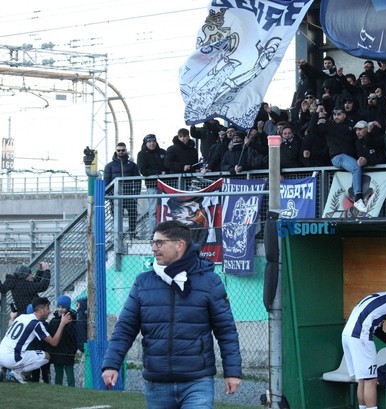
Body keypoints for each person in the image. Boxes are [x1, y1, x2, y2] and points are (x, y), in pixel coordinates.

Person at [101, 221, 242, 408]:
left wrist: (232, 372)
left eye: (159, 243)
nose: (153, 248)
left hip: (197, 381)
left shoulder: (210, 282)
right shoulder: (143, 283)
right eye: (153, 242)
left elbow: (226, 332)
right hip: (157, 383)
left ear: (179, 245)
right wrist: (111, 364)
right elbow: (125, 328)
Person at [0, 296, 71, 384]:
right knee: (46, 356)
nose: (50, 311)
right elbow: (54, 342)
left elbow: (10, 326)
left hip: (1, 355)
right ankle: (17, 372)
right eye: (47, 308)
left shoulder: (21, 317)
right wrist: (62, 323)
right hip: (11, 358)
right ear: (41, 310)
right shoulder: (36, 323)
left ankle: (2, 370)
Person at [314, 105, 368, 213]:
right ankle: (358, 198)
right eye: (334, 114)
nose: (336, 116)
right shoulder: (329, 125)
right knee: (356, 168)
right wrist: (317, 114)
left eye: (339, 114)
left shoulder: (351, 126)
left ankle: (355, 197)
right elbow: (313, 130)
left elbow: (357, 143)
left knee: (358, 166)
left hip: (348, 157)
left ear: (344, 115)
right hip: (338, 157)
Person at [104, 142, 141, 237]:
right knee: (116, 216)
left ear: (126, 150)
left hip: (129, 194)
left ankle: (132, 233)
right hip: (115, 196)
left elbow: (138, 181)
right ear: (116, 151)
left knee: (133, 214)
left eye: (123, 150)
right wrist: (108, 195)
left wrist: (136, 194)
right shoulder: (109, 166)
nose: (121, 152)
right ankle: (117, 235)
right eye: (119, 150)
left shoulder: (132, 165)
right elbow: (106, 181)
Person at [137, 134, 168, 238]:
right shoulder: (142, 154)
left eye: (153, 141)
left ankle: (167, 234)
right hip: (152, 186)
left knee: (167, 210)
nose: (152, 143)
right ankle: (153, 235)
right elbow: (143, 170)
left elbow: (168, 166)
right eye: (149, 141)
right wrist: (159, 172)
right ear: (146, 143)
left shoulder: (163, 152)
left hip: (166, 186)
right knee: (154, 211)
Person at [48, 295, 78, 387]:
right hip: (58, 351)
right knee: (58, 373)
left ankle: (72, 389)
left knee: (70, 373)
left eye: (63, 307)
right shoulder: (54, 320)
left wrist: (69, 324)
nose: (60, 309)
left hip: (69, 351)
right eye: (59, 307)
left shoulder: (73, 320)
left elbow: (74, 336)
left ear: (68, 308)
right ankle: (58, 388)